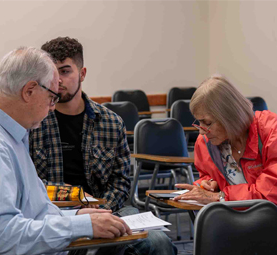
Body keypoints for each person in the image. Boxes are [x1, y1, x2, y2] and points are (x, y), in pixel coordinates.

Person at [0, 47, 132, 255]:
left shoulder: (7, 134)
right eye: (52, 98)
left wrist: (76, 218)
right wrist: (81, 226)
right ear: (29, 91)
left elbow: (31, 213)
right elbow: (4, 237)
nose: (52, 108)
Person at [30, 36, 177, 255]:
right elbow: (30, 182)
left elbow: (121, 179)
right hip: (54, 214)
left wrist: (101, 209)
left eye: (65, 71)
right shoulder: (33, 123)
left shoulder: (110, 122)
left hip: (111, 208)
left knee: (158, 242)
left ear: (82, 74)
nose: (58, 80)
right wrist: (77, 214)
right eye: (53, 72)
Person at [174, 75, 277, 254]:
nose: (201, 130)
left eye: (207, 123)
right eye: (198, 122)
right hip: (234, 224)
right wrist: (208, 185)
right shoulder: (205, 142)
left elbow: (275, 192)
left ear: (229, 116)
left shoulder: (270, 131)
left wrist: (220, 197)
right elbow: (206, 175)